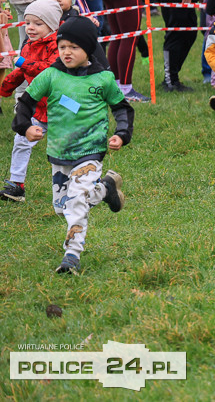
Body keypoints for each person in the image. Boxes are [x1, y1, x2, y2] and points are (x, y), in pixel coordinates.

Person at [11, 16, 132, 274]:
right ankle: (106, 188)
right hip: (59, 152)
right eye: (62, 46)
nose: (66, 52)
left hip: (90, 150)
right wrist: (25, 126)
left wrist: (122, 133)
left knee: (76, 202)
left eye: (74, 47)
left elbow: (122, 108)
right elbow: (26, 102)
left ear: (88, 49)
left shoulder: (103, 79)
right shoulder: (51, 75)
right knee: (62, 207)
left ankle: (72, 256)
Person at [0, 0, 62, 203]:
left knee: (68, 148)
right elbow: (22, 71)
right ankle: (16, 185)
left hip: (63, 106)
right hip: (38, 107)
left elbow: (47, 71)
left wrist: (23, 63)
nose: (30, 28)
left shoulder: (59, 46)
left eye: (38, 23)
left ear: (52, 25)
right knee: (21, 140)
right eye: (28, 23)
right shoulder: (28, 45)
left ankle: (88, 182)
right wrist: (6, 86)